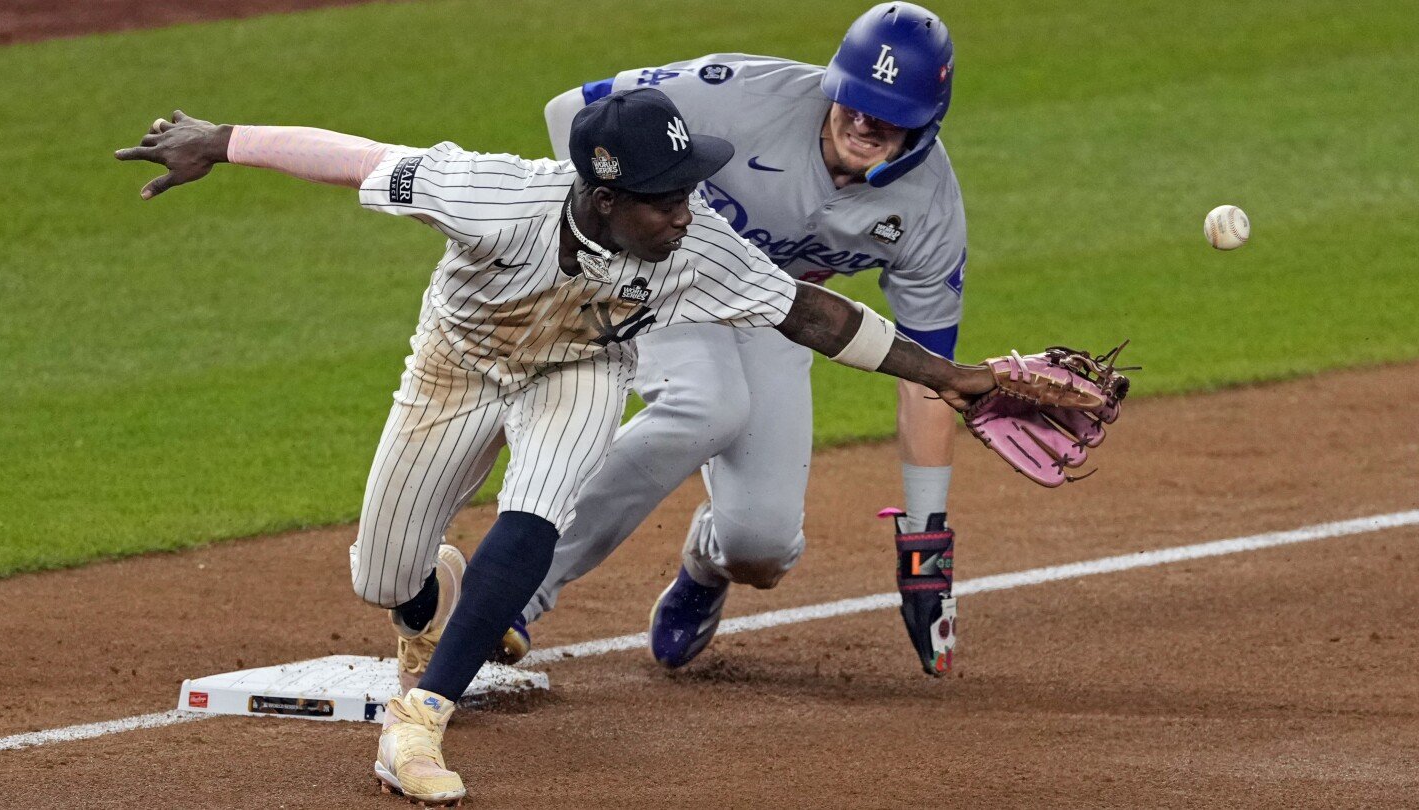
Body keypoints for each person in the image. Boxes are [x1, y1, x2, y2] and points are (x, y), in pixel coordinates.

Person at [115, 88, 1041, 802]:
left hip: (580, 372)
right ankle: (425, 602)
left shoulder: (695, 244)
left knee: (539, 504)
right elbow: (356, 158)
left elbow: (811, 311)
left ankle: (418, 721)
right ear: (602, 196)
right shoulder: (489, 194)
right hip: (457, 368)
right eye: (663, 199)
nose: (686, 212)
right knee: (383, 573)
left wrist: (951, 378)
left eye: (689, 190)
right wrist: (222, 140)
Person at [513, 2, 967, 672]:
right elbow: (569, 111)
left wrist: (925, 545)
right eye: (855, 99)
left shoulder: (928, 208)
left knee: (763, 545)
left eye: (890, 113)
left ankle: (704, 566)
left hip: (779, 313)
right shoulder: (737, 96)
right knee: (706, 404)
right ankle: (518, 586)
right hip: (666, 274)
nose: (865, 121)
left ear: (926, 125)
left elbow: (927, 377)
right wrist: (602, 229)